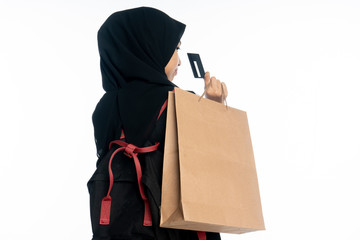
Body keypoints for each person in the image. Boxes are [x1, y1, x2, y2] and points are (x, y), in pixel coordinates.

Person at [87, 7, 227, 240]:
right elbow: (212, 167)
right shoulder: (180, 101)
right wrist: (215, 107)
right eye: (175, 49)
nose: (180, 61)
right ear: (150, 47)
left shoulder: (104, 108)